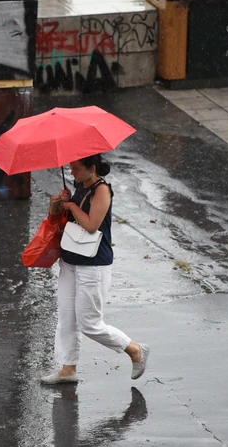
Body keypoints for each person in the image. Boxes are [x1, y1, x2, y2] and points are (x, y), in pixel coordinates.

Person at [40, 153, 150, 385]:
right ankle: (68, 369)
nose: (72, 173)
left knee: (89, 323)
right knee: (67, 318)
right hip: (70, 260)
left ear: (92, 168)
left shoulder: (102, 190)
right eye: (70, 168)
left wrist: (71, 205)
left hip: (93, 263)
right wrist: (57, 205)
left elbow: (91, 225)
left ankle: (134, 349)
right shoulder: (78, 187)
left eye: (76, 168)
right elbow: (60, 220)